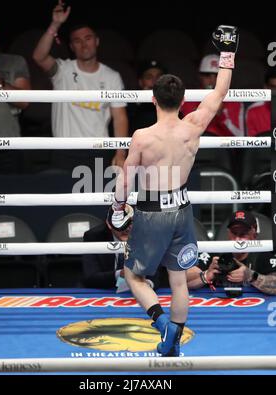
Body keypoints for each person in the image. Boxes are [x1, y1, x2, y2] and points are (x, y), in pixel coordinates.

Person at [107, 25, 239, 356]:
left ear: (153, 98)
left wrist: (118, 208)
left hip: (152, 213)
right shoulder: (193, 127)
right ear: (182, 100)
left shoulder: (142, 137)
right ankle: (173, 344)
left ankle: (162, 324)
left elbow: (126, 178)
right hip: (182, 210)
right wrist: (227, 53)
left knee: (133, 276)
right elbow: (219, 93)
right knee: (179, 280)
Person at [33, 0, 129, 169]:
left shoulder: (112, 76)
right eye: (77, 40)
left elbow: (119, 117)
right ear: (71, 46)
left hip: (99, 151)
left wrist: (120, 153)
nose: (84, 44)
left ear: (97, 41)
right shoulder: (62, 70)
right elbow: (39, 57)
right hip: (64, 151)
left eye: (88, 38)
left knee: (101, 196)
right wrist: (55, 24)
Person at [187, 210, 276, 294]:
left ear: (254, 235)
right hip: (217, 305)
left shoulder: (263, 256)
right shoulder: (214, 253)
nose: (237, 239)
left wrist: (250, 276)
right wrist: (206, 275)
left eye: (243, 234)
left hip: (253, 306)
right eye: (234, 233)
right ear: (228, 233)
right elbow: (183, 281)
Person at [82, 215, 160, 291]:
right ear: (109, 224)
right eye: (121, 222)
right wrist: (120, 274)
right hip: (106, 291)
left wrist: (147, 285)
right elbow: (90, 277)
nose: (127, 228)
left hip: (139, 291)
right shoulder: (94, 236)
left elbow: (158, 274)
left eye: (131, 222)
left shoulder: (147, 235)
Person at [181, 53, 244, 137]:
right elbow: (179, 134)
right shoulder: (187, 99)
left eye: (217, 75)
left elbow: (240, 137)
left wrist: (221, 116)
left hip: (223, 148)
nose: (212, 80)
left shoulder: (235, 101)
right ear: (199, 76)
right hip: (193, 146)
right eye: (207, 75)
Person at [128, 60, 165, 134]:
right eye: (149, 77)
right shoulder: (131, 106)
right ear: (140, 82)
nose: (155, 81)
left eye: (159, 77)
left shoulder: (172, 104)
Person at [246, 67, 276, 136]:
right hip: (263, 146)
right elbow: (251, 143)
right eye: (273, 87)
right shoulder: (253, 111)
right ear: (266, 87)